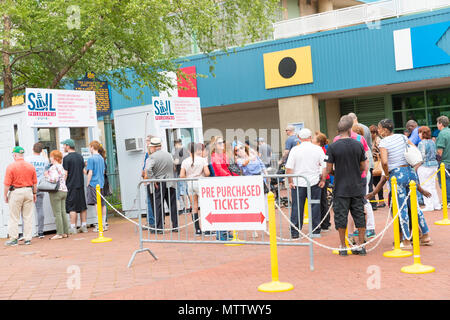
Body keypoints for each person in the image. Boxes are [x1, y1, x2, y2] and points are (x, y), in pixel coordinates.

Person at [378, 118, 432, 247]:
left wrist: (386, 173)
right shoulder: (402, 137)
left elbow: (385, 161)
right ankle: (425, 235)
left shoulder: (383, 142)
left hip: (397, 175)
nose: (379, 131)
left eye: (380, 128)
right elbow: (414, 149)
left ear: (385, 130)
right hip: (409, 171)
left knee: (401, 208)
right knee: (414, 206)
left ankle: (406, 239)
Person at [320, 116, 367, 256]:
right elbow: (363, 166)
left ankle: (343, 245)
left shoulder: (333, 147)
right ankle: (360, 245)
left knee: (341, 217)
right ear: (349, 129)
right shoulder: (358, 144)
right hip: (356, 186)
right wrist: (354, 170)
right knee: (359, 215)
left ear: (338, 130)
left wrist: (337, 171)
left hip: (340, 187)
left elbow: (328, 169)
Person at [285, 128, 325, 239]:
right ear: (310, 137)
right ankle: (315, 230)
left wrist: (290, 181)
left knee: (297, 207)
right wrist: (323, 180)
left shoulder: (295, 150)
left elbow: (289, 168)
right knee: (315, 206)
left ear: (299, 138)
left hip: (298, 182)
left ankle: (295, 231)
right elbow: (324, 166)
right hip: (314, 182)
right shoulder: (318, 149)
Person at [4, 146, 38, 246]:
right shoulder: (30, 166)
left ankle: (14, 239)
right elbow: (35, 183)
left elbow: (6, 184)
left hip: (16, 192)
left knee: (14, 216)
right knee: (27, 216)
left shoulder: (11, 166)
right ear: (22, 155)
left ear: (14, 155)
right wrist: (34, 193)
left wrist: (5, 195)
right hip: (28, 191)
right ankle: (28, 239)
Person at [146, 137, 178, 234]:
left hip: (159, 182)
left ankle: (160, 227)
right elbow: (174, 166)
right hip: (170, 181)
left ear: (154, 147)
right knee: (172, 204)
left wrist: (153, 179)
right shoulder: (169, 155)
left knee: (158, 205)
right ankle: (175, 225)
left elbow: (148, 169)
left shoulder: (152, 157)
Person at [351, 124, 376, 239]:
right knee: (360, 202)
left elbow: (366, 162)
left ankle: (370, 227)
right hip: (362, 175)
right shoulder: (362, 143)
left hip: (363, 175)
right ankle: (360, 227)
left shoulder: (360, 142)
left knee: (365, 201)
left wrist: (364, 174)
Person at [180, 142, 210, 235]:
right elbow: (207, 173)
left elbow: (181, 175)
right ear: (197, 150)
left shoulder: (185, 161)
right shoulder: (202, 160)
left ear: (188, 150)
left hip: (190, 183)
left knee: (194, 206)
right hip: (200, 182)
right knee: (205, 205)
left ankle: (197, 229)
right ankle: (207, 229)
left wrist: (189, 177)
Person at [210, 136, 237, 240]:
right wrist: (230, 177)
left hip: (227, 182)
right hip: (221, 183)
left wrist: (235, 176)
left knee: (227, 208)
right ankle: (221, 233)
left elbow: (230, 168)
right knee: (221, 209)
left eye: (223, 142)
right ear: (215, 145)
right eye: (219, 143)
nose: (222, 144)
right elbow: (219, 169)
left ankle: (226, 231)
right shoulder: (214, 156)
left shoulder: (224, 155)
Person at [348, 113, 376, 211]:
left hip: (361, 165)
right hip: (367, 161)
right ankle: (373, 203)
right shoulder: (365, 128)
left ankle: (368, 205)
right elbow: (368, 146)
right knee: (369, 185)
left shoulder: (351, 133)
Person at [62, 139, 88, 234]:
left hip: (71, 185)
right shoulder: (80, 156)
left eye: (64, 145)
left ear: (68, 146)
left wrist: (61, 184)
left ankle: (73, 227)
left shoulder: (66, 158)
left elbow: (66, 173)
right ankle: (84, 226)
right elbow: (83, 170)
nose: (63, 147)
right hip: (80, 184)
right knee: (82, 206)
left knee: (72, 207)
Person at [25, 142, 49, 238]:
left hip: (29, 185)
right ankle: (40, 232)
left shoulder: (27, 159)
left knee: (27, 210)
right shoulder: (45, 160)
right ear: (41, 150)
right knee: (40, 209)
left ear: (32, 149)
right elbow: (47, 169)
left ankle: (28, 232)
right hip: (40, 185)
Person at [44, 150, 69, 240]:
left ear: (54, 158)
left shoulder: (53, 167)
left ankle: (59, 233)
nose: (50, 158)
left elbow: (54, 179)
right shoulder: (61, 167)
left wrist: (46, 176)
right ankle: (66, 232)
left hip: (56, 192)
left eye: (51, 156)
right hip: (64, 190)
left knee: (57, 213)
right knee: (63, 212)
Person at [417, 126, 441, 212]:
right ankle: (436, 204)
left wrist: (416, 166)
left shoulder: (421, 143)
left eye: (420, 132)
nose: (419, 134)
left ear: (423, 133)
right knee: (432, 185)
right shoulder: (432, 142)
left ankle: (429, 205)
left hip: (425, 166)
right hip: (434, 165)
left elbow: (421, 157)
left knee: (425, 185)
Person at [85, 140, 107, 232]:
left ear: (92, 147)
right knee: (102, 204)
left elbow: (90, 172)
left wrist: (87, 183)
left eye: (90, 147)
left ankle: (99, 224)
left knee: (96, 204)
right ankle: (104, 223)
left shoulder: (91, 159)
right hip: (101, 183)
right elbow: (103, 171)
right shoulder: (101, 158)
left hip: (93, 183)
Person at [313, 131, 331, 232]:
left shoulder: (321, 150)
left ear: (319, 142)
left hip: (323, 177)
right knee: (322, 201)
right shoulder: (320, 149)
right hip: (323, 177)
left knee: (322, 201)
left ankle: (325, 223)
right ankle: (324, 222)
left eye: (314, 139)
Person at [172, 139, 190, 214]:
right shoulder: (186, 150)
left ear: (176, 144)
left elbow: (176, 163)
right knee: (187, 190)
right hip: (188, 173)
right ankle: (189, 206)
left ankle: (187, 207)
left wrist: (172, 162)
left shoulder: (177, 151)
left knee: (182, 190)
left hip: (181, 173)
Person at [369, 125, 385, 208]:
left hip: (377, 163)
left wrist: (374, 154)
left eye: (372, 133)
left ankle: (381, 200)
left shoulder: (378, 140)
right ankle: (380, 200)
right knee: (376, 182)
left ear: (375, 133)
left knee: (377, 182)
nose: (370, 134)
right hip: (374, 163)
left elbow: (381, 152)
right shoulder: (372, 140)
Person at [436, 115, 450, 206]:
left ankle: (448, 201)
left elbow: (440, 151)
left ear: (441, 124)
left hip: (444, 163)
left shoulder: (442, 134)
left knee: (445, 182)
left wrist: (437, 160)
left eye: (437, 123)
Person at [142, 135, 155, 227]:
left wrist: (144, 176)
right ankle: (153, 220)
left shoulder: (149, 154)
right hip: (150, 180)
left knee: (150, 201)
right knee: (151, 201)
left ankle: (151, 221)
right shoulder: (147, 153)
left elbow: (147, 168)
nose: (146, 142)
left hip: (150, 181)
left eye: (147, 140)